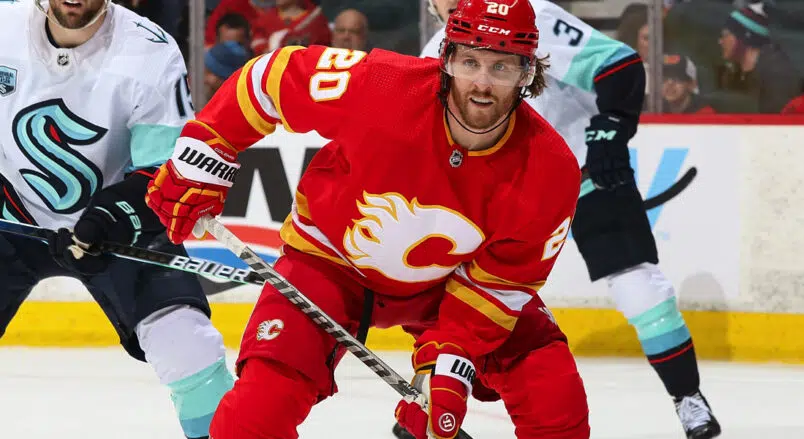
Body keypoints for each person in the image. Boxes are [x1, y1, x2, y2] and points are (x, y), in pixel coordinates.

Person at [145, 0, 590, 438]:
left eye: (502, 67)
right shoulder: (382, 86)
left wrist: (448, 363)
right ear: (446, 59)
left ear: (528, 74)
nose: (482, 84)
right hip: (328, 265)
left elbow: (500, 284)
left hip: (447, 284)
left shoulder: (549, 170)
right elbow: (272, 77)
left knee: (554, 393)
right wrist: (208, 149)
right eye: (470, 61)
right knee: (253, 418)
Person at [420, 0, 721, 437]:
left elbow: (618, 67)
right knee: (456, 295)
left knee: (638, 287)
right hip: (500, 195)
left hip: (581, 169)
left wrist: (609, 135)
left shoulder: (528, 17)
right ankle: (431, 394)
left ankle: (687, 397)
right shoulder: (433, 54)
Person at [0, 0, 234, 438]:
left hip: (114, 226)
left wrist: (107, 218)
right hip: (10, 219)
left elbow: (162, 172)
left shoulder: (151, 50)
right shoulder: (2, 26)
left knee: (189, 348)